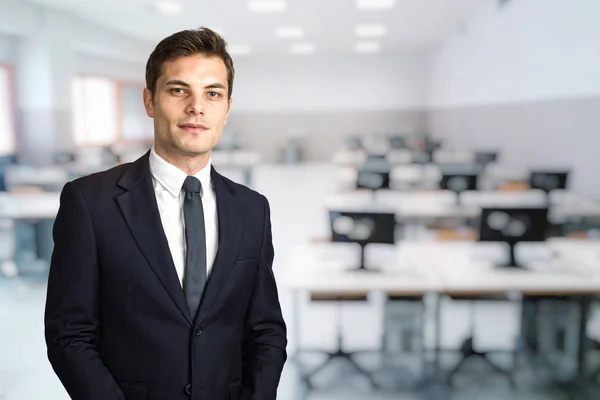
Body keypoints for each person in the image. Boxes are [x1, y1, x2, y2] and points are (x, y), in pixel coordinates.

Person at [44, 27, 287, 400]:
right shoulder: (90, 203)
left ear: (226, 107)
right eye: (178, 90)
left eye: (213, 93)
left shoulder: (252, 208)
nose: (197, 107)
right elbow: (69, 334)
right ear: (150, 100)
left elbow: (266, 331)